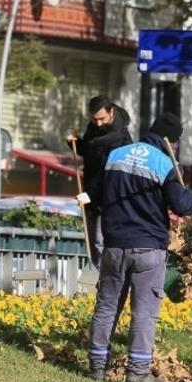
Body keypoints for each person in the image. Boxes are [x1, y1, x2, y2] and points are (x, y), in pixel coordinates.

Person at [86, 111, 192, 382]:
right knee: (144, 312)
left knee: (107, 306)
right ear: (171, 141)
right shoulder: (164, 163)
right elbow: (181, 206)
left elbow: (94, 194)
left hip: (114, 246)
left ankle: (96, 367)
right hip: (148, 249)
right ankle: (137, 373)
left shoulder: (116, 155)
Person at [68, 96, 131, 265]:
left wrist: (90, 195)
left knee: (100, 242)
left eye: (102, 119)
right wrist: (74, 142)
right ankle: (98, 277)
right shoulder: (93, 128)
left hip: (110, 198)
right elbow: (88, 151)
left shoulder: (120, 138)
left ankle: (105, 281)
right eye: (94, 119)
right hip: (91, 193)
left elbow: (110, 173)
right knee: (94, 242)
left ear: (111, 112)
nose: (98, 124)